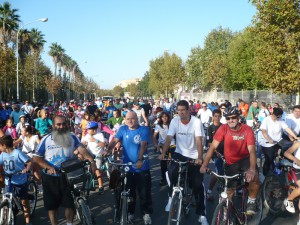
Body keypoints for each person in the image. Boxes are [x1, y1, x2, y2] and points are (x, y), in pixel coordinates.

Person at [33, 115, 97, 225]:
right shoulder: (46, 139)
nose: (61, 126)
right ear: (53, 125)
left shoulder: (72, 136)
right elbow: (36, 157)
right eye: (58, 124)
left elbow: (81, 149)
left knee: (69, 204)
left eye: (63, 124)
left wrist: (92, 161)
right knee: (53, 207)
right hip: (51, 178)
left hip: (68, 175)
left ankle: (69, 223)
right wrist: (48, 167)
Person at [200, 106, 260, 215]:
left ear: (238, 118)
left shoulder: (247, 129)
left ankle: (252, 201)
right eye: (228, 118)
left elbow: (252, 151)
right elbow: (212, 147)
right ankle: (227, 212)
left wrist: (251, 169)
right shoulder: (223, 129)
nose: (230, 120)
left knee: (254, 178)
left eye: (233, 118)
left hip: (245, 159)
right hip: (231, 163)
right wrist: (205, 164)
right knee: (229, 191)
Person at [158, 100, 208, 225]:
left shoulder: (196, 122)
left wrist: (200, 158)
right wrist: (163, 153)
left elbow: (199, 141)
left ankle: (202, 215)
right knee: (170, 173)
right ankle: (171, 197)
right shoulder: (174, 121)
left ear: (188, 110)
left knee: (198, 184)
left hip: (194, 155)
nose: (180, 112)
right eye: (178, 110)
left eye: (183, 110)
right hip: (179, 153)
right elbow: (169, 138)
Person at [102, 111, 153, 225]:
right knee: (130, 193)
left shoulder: (143, 129)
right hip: (127, 167)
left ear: (137, 118)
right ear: (124, 119)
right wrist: (107, 150)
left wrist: (139, 159)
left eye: (132, 118)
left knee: (144, 192)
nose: (130, 121)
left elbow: (143, 145)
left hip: (141, 166)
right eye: (128, 119)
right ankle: (130, 213)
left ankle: (146, 213)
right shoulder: (123, 129)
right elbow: (114, 141)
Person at [0, 135, 33, 225]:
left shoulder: (17, 153)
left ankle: (28, 221)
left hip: (20, 181)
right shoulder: (3, 155)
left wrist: (27, 169)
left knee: (24, 202)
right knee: (7, 199)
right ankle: (7, 219)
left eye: (0, 145)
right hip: (9, 181)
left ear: (4, 145)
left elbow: (29, 162)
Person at [260, 107, 299, 176]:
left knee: (292, 145)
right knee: (269, 159)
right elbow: (263, 131)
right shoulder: (266, 119)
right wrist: (269, 140)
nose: (276, 118)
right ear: (272, 113)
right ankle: (265, 174)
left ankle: (285, 162)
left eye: (278, 117)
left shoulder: (280, 120)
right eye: (275, 116)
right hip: (267, 143)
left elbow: (287, 129)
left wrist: (295, 137)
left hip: (278, 140)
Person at [14, 125, 43, 193]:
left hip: (33, 155)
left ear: (27, 132)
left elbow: (41, 144)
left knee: (35, 172)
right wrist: (9, 145)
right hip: (24, 155)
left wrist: (40, 150)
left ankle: (40, 186)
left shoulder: (35, 137)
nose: (21, 132)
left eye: (22, 131)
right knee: (19, 169)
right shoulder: (22, 137)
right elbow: (15, 143)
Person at [82, 121, 107, 195]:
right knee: (84, 167)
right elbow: (83, 142)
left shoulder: (100, 135)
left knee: (97, 170)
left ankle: (101, 186)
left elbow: (103, 145)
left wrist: (95, 140)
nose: (87, 130)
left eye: (89, 129)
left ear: (94, 130)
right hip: (90, 155)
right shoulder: (88, 135)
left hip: (97, 155)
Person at [206, 109, 224, 201]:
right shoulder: (210, 128)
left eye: (219, 116)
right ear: (213, 117)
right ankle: (209, 191)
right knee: (217, 173)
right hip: (216, 154)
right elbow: (209, 143)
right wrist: (215, 150)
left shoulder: (224, 127)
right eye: (215, 116)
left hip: (226, 153)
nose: (217, 118)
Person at [153, 112, 175, 185]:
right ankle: (163, 178)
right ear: (161, 118)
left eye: (166, 116)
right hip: (162, 146)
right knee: (163, 164)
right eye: (163, 117)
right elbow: (154, 136)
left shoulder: (172, 125)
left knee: (174, 163)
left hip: (172, 145)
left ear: (168, 117)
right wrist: (156, 145)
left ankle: (174, 178)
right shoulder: (158, 126)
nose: (164, 118)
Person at [283, 141, 300, 213]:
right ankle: (289, 199)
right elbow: (286, 153)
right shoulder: (298, 142)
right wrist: (296, 159)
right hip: (297, 169)